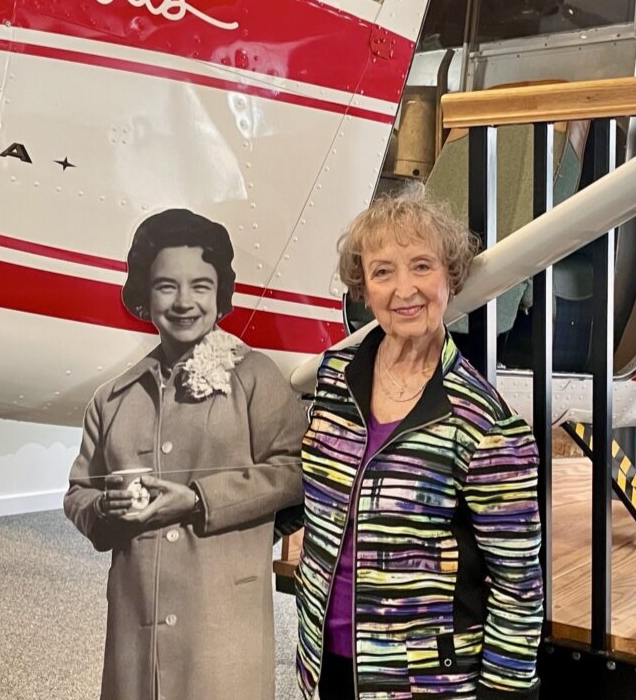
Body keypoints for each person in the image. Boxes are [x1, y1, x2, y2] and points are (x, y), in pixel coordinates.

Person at [295, 185, 543, 700]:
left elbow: (518, 587)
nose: (404, 289)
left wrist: (505, 695)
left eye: (422, 266)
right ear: (363, 288)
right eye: (383, 271)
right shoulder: (335, 377)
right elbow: (317, 497)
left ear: (450, 277)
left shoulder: (486, 424)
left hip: (423, 682)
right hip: (325, 662)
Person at [65, 208, 305, 700]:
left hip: (222, 629)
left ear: (220, 293)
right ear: (144, 293)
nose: (183, 302)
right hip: (137, 628)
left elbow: (296, 471)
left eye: (200, 285)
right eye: (165, 286)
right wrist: (103, 509)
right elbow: (78, 494)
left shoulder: (256, 378)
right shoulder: (112, 399)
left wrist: (198, 499)